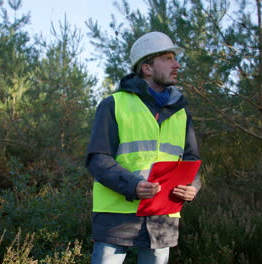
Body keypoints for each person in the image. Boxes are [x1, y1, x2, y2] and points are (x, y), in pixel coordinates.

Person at [86, 31, 201, 264]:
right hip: (116, 219)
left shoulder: (181, 113)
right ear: (147, 68)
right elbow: (97, 158)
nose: (176, 64)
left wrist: (192, 186)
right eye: (168, 59)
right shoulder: (114, 104)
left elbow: (192, 160)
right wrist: (134, 186)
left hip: (163, 220)